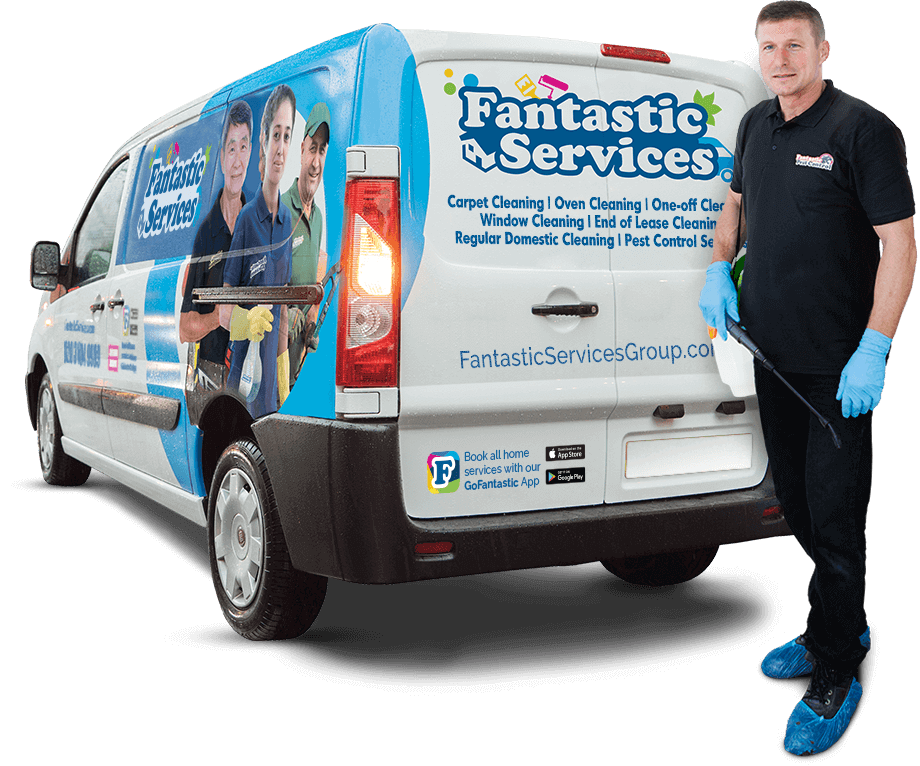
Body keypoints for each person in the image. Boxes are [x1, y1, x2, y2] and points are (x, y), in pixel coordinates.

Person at [699, 1, 915, 755]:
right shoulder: (755, 126)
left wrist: (875, 347)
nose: (780, 59)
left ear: (824, 48)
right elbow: (733, 211)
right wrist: (716, 270)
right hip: (771, 360)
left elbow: (900, 245)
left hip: (836, 370)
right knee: (794, 502)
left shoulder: (863, 129)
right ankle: (833, 619)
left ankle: (837, 669)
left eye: (795, 44)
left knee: (835, 520)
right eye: (767, 46)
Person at [220, 85, 296, 418]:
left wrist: (283, 374)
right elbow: (223, 306)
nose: (280, 148)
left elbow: (281, 306)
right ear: (263, 141)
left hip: (270, 380)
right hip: (244, 372)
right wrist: (245, 319)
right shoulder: (248, 218)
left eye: (287, 137)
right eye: (275, 135)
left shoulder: (288, 220)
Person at [180, 101, 253, 422]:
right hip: (210, 374)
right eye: (231, 149)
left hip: (253, 373)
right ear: (222, 158)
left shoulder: (263, 224)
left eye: (243, 146)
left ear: (251, 152)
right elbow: (185, 327)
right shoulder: (205, 235)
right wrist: (218, 318)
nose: (237, 160)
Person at [281, 102, 330, 387]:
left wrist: (311, 325)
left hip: (300, 353)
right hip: (276, 349)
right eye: (312, 149)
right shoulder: (280, 211)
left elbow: (311, 281)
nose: (315, 162)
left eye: (322, 151)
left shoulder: (320, 218)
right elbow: (258, 286)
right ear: (301, 150)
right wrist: (285, 316)